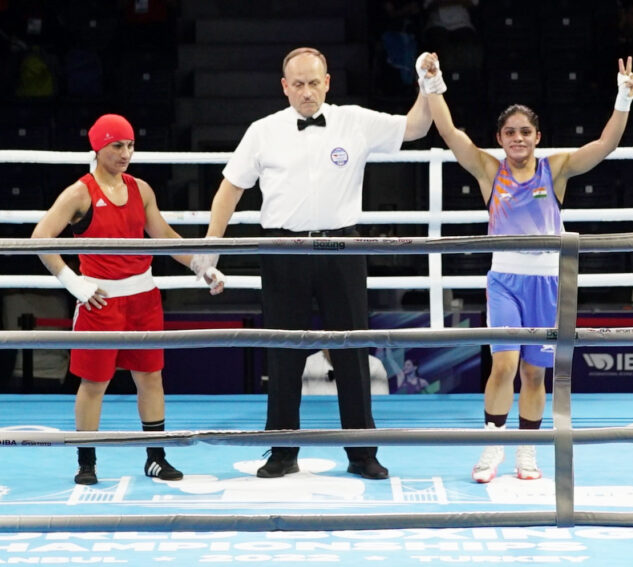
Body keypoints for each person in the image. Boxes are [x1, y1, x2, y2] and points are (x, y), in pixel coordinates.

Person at [191, 46, 432, 480]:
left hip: (343, 248)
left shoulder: (354, 120)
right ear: (284, 87)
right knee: (284, 353)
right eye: (298, 84)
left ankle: (362, 453)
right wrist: (212, 246)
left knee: (353, 354)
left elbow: (416, 127)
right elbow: (230, 189)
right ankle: (282, 451)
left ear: (327, 82)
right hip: (284, 250)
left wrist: (428, 82)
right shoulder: (263, 131)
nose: (307, 92)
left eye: (313, 82)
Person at [417, 53, 633, 482]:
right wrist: (433, 82)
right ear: (500, 138)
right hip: (504, 280)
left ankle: (527, 450)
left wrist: (623, 97)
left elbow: (604, 146)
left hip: (548, 282)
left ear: (537, 136)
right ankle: (491, 447)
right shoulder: (488, 170)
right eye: (510, 132)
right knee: (503, 364)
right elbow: (448, 131)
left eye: (525, 132)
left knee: (535, 373)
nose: (517, 138)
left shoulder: (553, 170)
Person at [31, 113, 225, 485]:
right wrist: (72, 281)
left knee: (151, 377)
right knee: (94, 383)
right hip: (99, 300)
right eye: (117, 145)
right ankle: (86, 462)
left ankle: (155, 457)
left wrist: (201, 266)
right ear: (98, 147)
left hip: (143, 298)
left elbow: (163, 235)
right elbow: (41, 237)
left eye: (130, 145)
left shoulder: (142, 189)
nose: (125, 153)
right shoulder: (80, 193)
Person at [302, 349, 389, 396]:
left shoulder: (374, 365)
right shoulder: (308, 364)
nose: (337, 349)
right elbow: (303, 410)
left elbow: (380, 410)